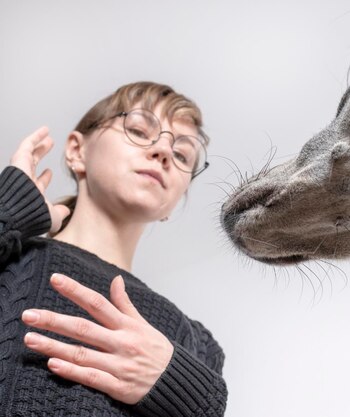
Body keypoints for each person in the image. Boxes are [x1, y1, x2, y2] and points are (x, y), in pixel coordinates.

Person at [0, 81, 227, 416]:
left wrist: (175, 383)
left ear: (174, 203)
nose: (163, 151)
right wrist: (12, 210)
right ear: (77, 151)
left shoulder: (194, 343)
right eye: (138, 129)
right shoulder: (12, 256)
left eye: (182, 155)